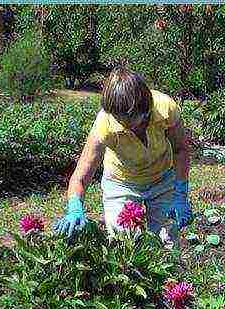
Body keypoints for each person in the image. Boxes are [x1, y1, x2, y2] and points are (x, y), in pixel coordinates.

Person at [54, 66, 193, 247]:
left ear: (145, 110)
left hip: (162, 179)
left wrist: (180, 193)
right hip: (121, 183)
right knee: (122, 242)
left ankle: (170, 275)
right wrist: (75, 208)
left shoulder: (165, 108)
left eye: (128, 120)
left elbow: (180, 150)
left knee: (167, 241)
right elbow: (80, 177)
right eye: (118, 118)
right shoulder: (105, 125)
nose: (122, 124)